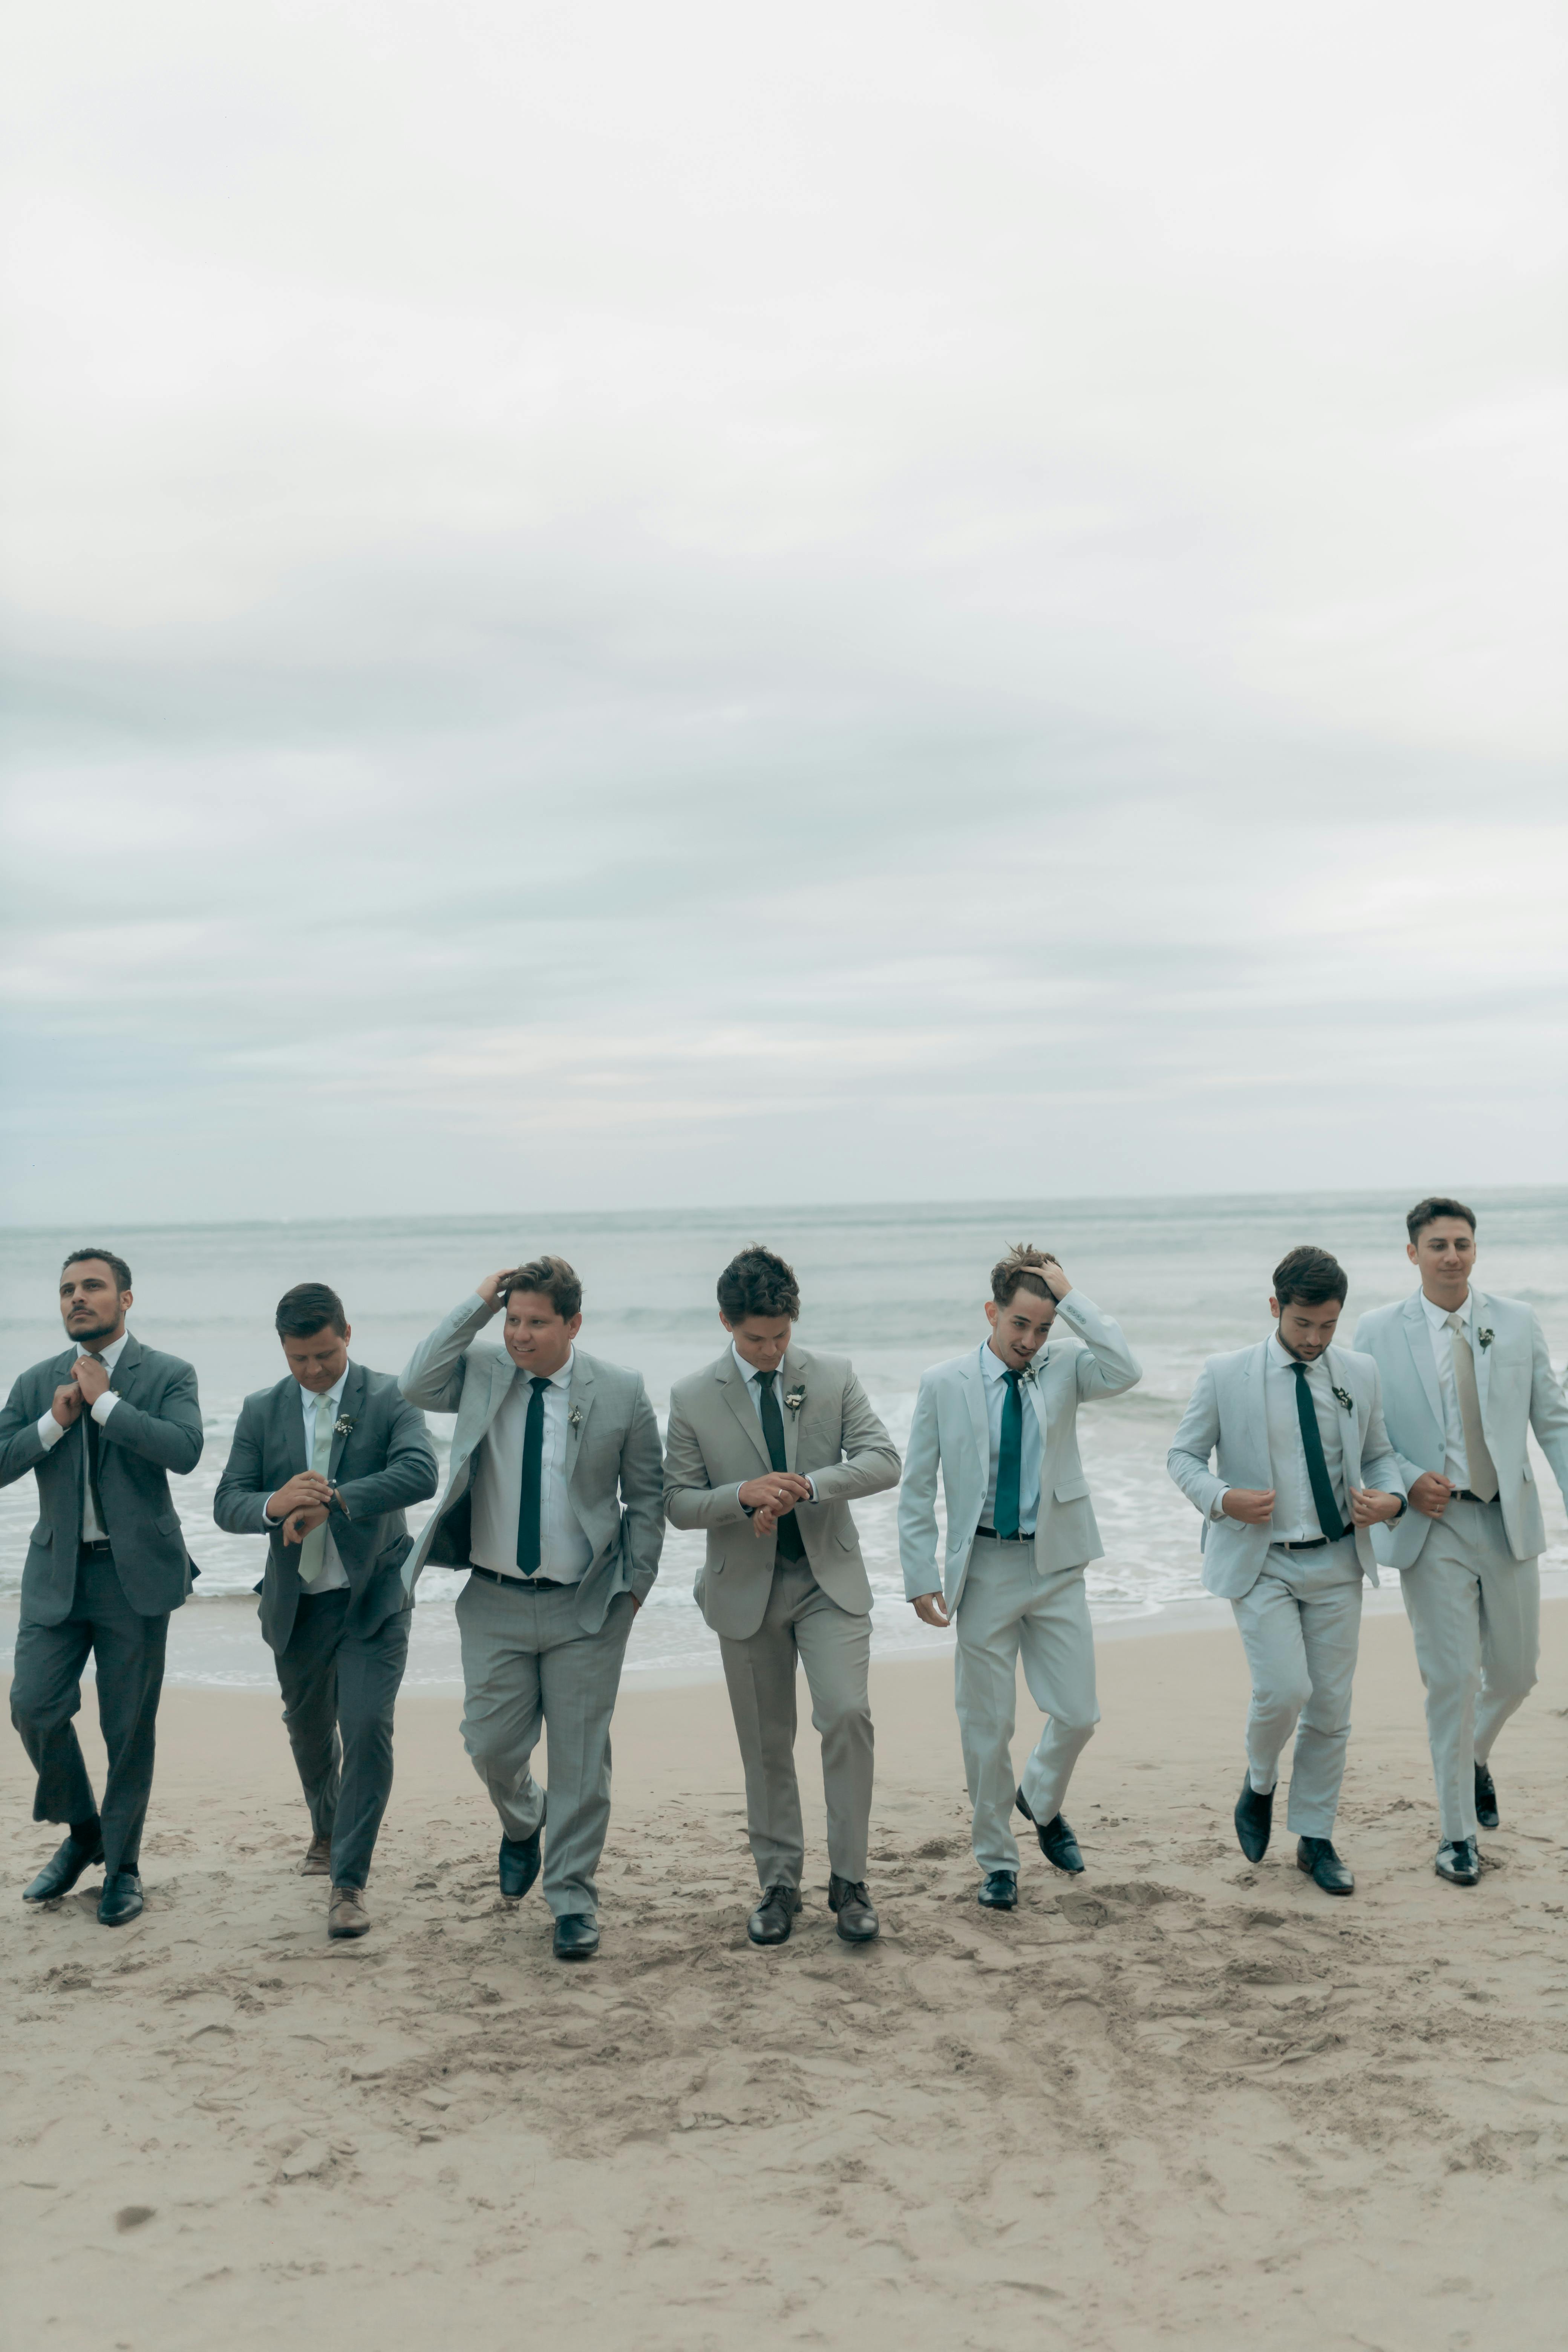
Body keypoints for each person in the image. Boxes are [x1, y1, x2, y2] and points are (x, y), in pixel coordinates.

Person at [400, 1258, 663, 1960]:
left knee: (581, 1764)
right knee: (490, 1744)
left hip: (587, 1607)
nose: (521, 1334)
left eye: (536, 1322)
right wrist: (482, 1301)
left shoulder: (621, 1391)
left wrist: (634, 1589)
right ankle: (522, 1822)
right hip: (493, 1601)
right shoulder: (486, 1369)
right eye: (514, 1320)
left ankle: (573, 1899)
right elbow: (415, 1382)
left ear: (573, 1324)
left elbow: (648, 1497)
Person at [663, 1245, 900, 1948]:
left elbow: (884, 1459)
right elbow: (676, 1503)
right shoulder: (690, 1397)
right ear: (726, 1324)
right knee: (766, 1744)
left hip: (829, 1580)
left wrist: (807, 1485)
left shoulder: (834, 1376)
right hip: (745, 1593)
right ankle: (778, 1883)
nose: (770, 1352)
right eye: (754, 1339)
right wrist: (742, 1496)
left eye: (781, 1336)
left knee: (848, 1714)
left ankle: (850, 1881)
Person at [900, 1245, 1141, 1909]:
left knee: (1079, 1713)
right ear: (992, 1313)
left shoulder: (1064, 1367)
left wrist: (1076, 1297)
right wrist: (920, 1573)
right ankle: (997, 1861)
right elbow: (917, 1487)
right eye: (1019, 1326)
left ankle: (1039, 1796)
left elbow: (1126, 1367)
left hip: (1056, 1564)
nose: (1031, 1342)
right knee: (987, 1725)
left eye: (1043, 1328)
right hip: (984, 1570)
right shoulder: (945, 1382)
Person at [1168, 1245, 1405, 1897]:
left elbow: (1382, 1457)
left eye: (1328, 1325)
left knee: (1331, 1709)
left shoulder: (1359, 1372)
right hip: (1262, 1562)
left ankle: (1316, 1838)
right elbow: (1183, 1456)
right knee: (1284, 1689)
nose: (1315, 1338)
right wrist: (1223, 1499)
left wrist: (1392, 1500)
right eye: (1304, 1324)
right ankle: (1260, 1782)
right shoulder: (1226, 1374)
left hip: (1337, 1560)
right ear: (1276, 1308)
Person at [213, 1282, 438, 1939]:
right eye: (299, 1360)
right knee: (311, 1734)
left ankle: (349, 1882)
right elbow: (229, 1500)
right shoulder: (261, 1411)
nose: (313, 1372)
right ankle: (325, 1826)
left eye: (325, 1356)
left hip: (373, 1599)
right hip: (297, 1607)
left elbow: (421, 1471)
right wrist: (274, 1504)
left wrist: (336, 1498)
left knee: (366, 1726)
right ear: (283, 1351)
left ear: (348, 1334)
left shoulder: (392, 1395)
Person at [1354, 1198, 1568, 1886]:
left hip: (1508, 1519)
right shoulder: (1376, 1331)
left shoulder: (1516, 1321)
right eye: (1438, 1244)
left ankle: (1474, 1758)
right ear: (1412, 1253)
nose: (1453, 1255)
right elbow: (1365, 1435)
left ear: (1476, 1251)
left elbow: (1554, 1422)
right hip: (1432, 1525)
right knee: (1450, 1680)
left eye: (1463, 1244)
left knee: (1516, 1673)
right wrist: (1411, 1481)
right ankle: (1456, 1837)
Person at [2, 1249, 202, 1926]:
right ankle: (85, 1829)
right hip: (57, 1576)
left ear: (126, 1299)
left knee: (127, 1730)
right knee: (32, 1705)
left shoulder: (169, 1373)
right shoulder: (36, 1383)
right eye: (67, 1290)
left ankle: (122, 1866)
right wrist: (54, 1421)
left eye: (93, 1287)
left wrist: (107, 1404)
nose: (77, 1299)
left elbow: (185, 1449)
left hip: (135, 1578)